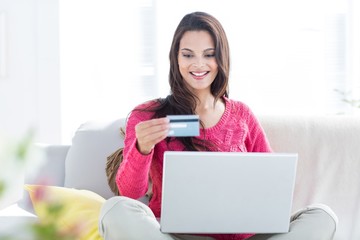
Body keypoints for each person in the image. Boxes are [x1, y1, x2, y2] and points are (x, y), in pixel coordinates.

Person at [98, 11, 338, 240]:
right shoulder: (149, 115)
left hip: (243, 236)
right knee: (115, 209)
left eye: (209, 54)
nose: (198, 64)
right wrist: (142, 148)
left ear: (221, 58)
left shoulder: (242, 115)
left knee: (323, 216)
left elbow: (273, 189)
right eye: (188, 54)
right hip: (175, 235)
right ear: (176, 58)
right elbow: (129, 193)